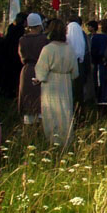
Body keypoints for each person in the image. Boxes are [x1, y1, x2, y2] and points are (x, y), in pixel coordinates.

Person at [35, 19, 79, 147]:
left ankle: (53, 141)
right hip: (65, 84)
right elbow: (75, 72)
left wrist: (39, 78)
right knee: (65, 112)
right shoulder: (70, 49)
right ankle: (66, 140)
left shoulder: (48, 49)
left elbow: (41, 72)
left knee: (52, 113)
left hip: (51, 84)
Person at [18, 13, 48, 125]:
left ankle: (29, 124)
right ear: (39, 25)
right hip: (41, 69)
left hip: (27, 71)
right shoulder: (44, 39)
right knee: (40, 98)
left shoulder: (22, 39)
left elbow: (21, 57)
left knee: (28, 97)